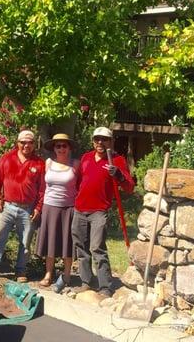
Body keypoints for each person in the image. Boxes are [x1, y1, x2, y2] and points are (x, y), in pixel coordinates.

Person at [72, 126, 135, 297]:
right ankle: (86, 281)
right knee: (81, 247)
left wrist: (119, 175)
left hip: (99, 210)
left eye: (104, 139)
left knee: (97, 248)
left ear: (111, 141)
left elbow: (129, 187)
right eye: (97, 139)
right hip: (80, 209)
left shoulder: (117, 160)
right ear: (93, 141)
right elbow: (79, 182)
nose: (100, 142)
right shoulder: (85, 158)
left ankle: (105, 286)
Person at [0, 130, 45, 283]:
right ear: (17, 143)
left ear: (34, 144)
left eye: (29, 142)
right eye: (23, 142)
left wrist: (38, 208)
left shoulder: (39, 163)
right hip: (7, 207)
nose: (26, 145)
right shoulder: (6, 159)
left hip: (28, 209)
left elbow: (43, 189)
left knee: (25, 243)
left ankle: (20, 271)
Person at [35, 133, 79, 293]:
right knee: (50, 242)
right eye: (58, 146)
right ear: (54, 148)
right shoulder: (48, 162)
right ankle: (48, 274)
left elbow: (81, 186)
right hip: (49, 207)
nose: (61, 148)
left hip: (68, 208)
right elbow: (42, 186)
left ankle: (67, 275)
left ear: (69, 148)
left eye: (64, 146)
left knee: (68, 243)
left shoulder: (76, 164)